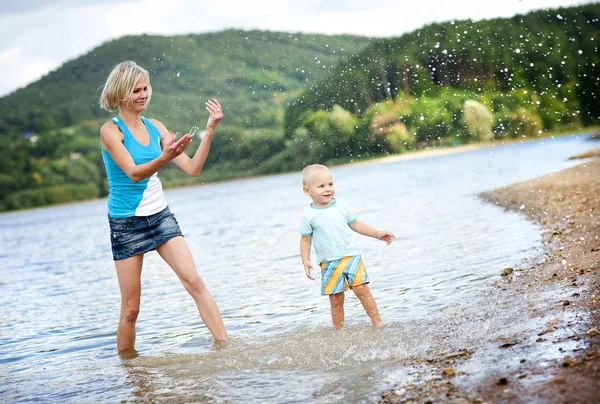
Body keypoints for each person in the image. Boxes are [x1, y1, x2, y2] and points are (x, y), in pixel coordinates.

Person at [99, 60, 227, 352]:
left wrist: (210, 130)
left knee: (194, 282)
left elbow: (193, 168)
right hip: (126, 224)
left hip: (160, 217)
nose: (143, 95)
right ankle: (129, 373)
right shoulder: (111, 132)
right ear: (120, 93)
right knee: (131, 309)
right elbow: (133, 172)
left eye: (146, 88)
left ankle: (225, 349)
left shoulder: (155, 127)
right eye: (136, 90)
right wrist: (165, 157)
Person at [299, 164, 395, 330]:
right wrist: (305, 260)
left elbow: (356, 224)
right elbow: (305, 239)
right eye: (321, 186)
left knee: (361, 289)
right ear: (308, 191)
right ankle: (339, 331)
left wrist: (378, 234)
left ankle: (377, 322)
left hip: (351, 255)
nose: (328, 189)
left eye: (330, 184)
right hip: (328, 262)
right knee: (336, 298)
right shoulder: (308, 215)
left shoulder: (341, 205)